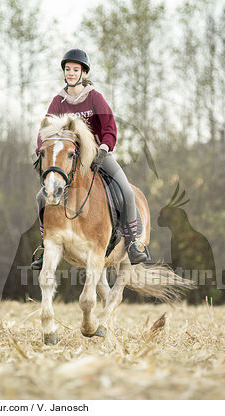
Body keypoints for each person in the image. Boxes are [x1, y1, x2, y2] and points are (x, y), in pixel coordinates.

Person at [32, 48, 151, 270]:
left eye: (75, 69)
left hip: (96, 155)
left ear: (83, 73)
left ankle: (133, 242)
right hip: (67, 161)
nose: (70, 73)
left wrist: (105, 148)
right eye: (67, 69)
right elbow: (45, 133)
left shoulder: (95, 97)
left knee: (125, 189)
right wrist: (41, 151)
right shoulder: (58, 101)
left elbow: (109, 127)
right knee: (41, 197)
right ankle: (44, 246)